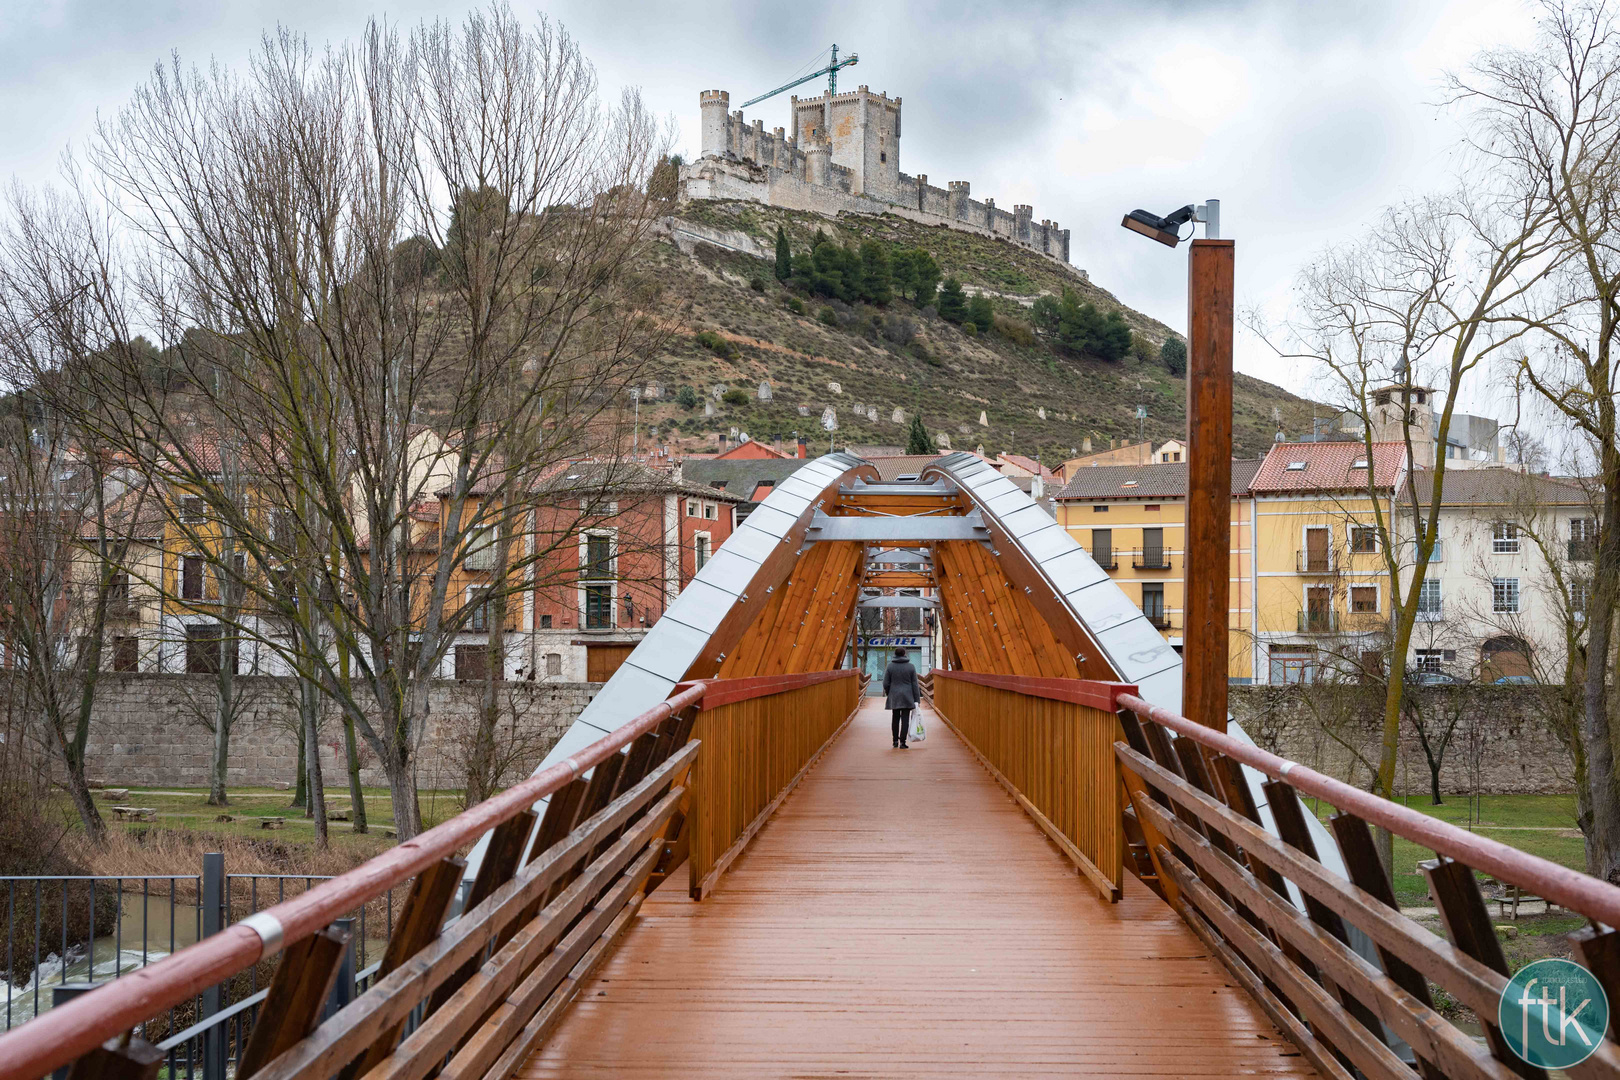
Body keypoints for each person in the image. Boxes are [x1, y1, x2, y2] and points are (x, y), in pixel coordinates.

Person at [884, 647, 919, 748]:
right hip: (907, 696)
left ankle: (895, 741)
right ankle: (903, 742)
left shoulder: (890, 667)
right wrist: (916, 699)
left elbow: (886, 683)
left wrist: (889, 693)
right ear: (904, 654)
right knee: (905, 719)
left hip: (894, 696)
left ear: (895, 654)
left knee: (895, 718)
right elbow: (915, 684)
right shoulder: (911, 667)